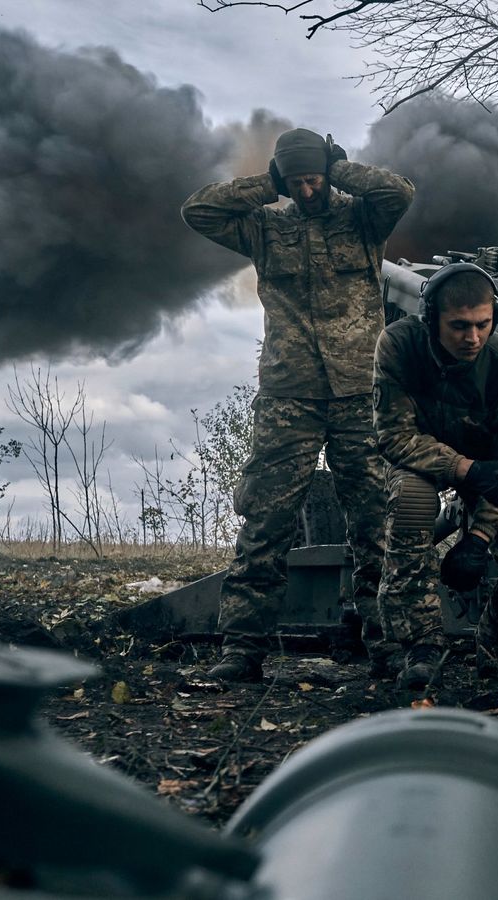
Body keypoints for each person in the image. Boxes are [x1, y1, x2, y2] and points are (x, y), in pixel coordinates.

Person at [181, 128, 414, 681]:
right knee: (266, 521)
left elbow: (398, 193)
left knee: (377, 521)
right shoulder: (264, 225)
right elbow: (198, 211)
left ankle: (388, 646)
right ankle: (243, 649)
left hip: (362, 391)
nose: (308, 191)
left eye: (314, 180)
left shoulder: (363, 220)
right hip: (291, 394)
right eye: (299, 181)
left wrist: (339, 170)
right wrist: (268, 184)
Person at [372, 262, 498, 689]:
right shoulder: (399, 346)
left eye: (483, 325)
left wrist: (478, 539)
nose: (472, 338)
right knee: (412, 504)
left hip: (496, 471)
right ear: (431, 318)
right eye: (458, 326)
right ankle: (419, 644)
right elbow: (394, 436)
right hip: (423, 460)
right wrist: (464, 469)